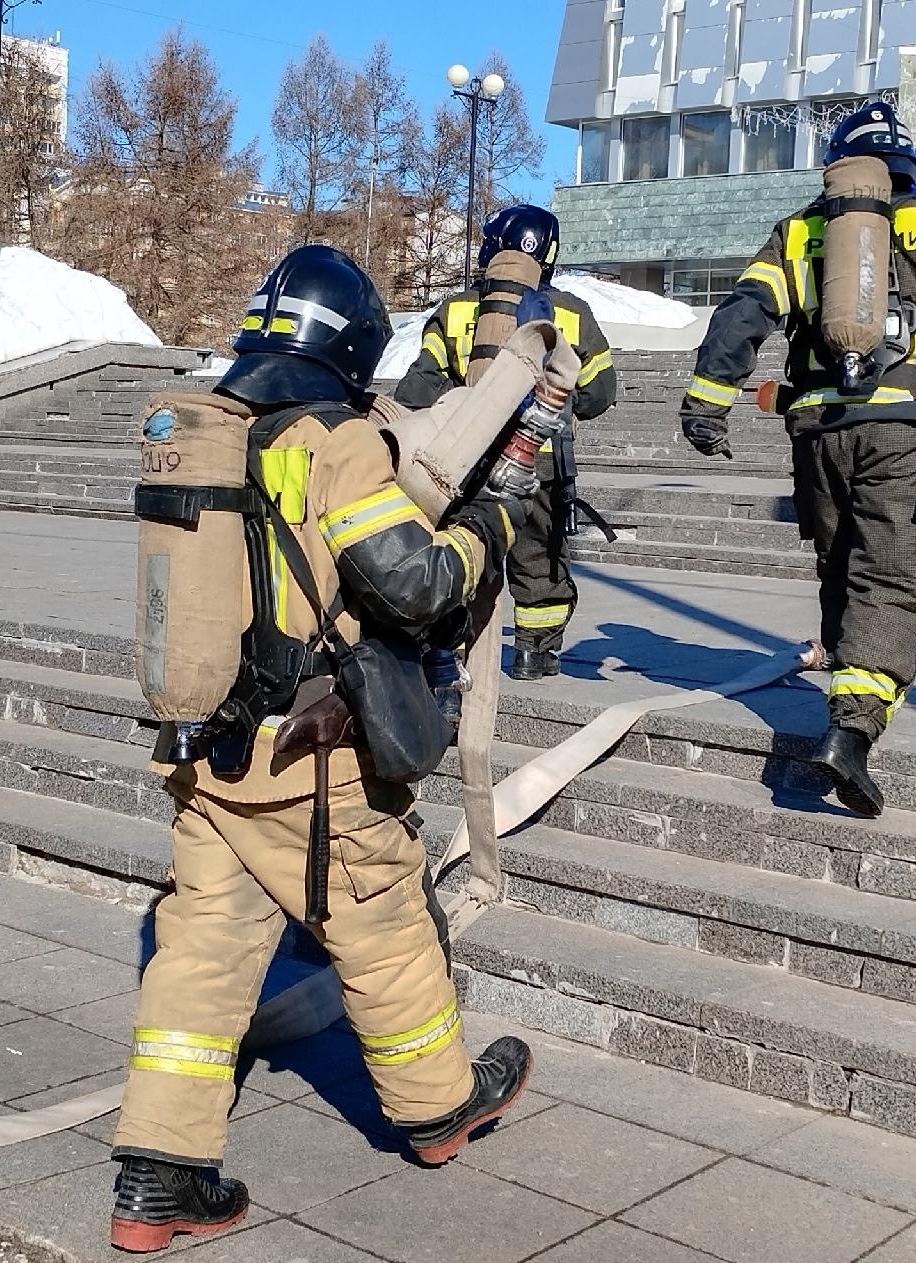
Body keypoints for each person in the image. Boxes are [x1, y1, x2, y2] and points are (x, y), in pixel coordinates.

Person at [110, 243, 531, 1253]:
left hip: (207, 753)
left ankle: (155, 1180)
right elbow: (416, 581)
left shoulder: (200, 428)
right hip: (313, 759)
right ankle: (437, 1110)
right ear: (347, 349)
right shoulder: (330, 438)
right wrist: (488, 533)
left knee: (202, 949)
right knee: (382, 921)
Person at [676, 101, 916, 818]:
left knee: (841, 565)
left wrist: (706, 401)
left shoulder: (802, 231)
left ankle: (847, 695)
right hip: (902, 426)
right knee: (893, 576)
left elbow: (743, 313)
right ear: (904, 160)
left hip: (816, 430)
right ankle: (853, 730)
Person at [394, 204, 618, 680]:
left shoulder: (456, 309)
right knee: (539, 556)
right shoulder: (572, 313)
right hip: (541, 458)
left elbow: (416, 391)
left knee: (463, 544)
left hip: (468, 455)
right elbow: (601, 392)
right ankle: (534, 654)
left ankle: (446, 654)